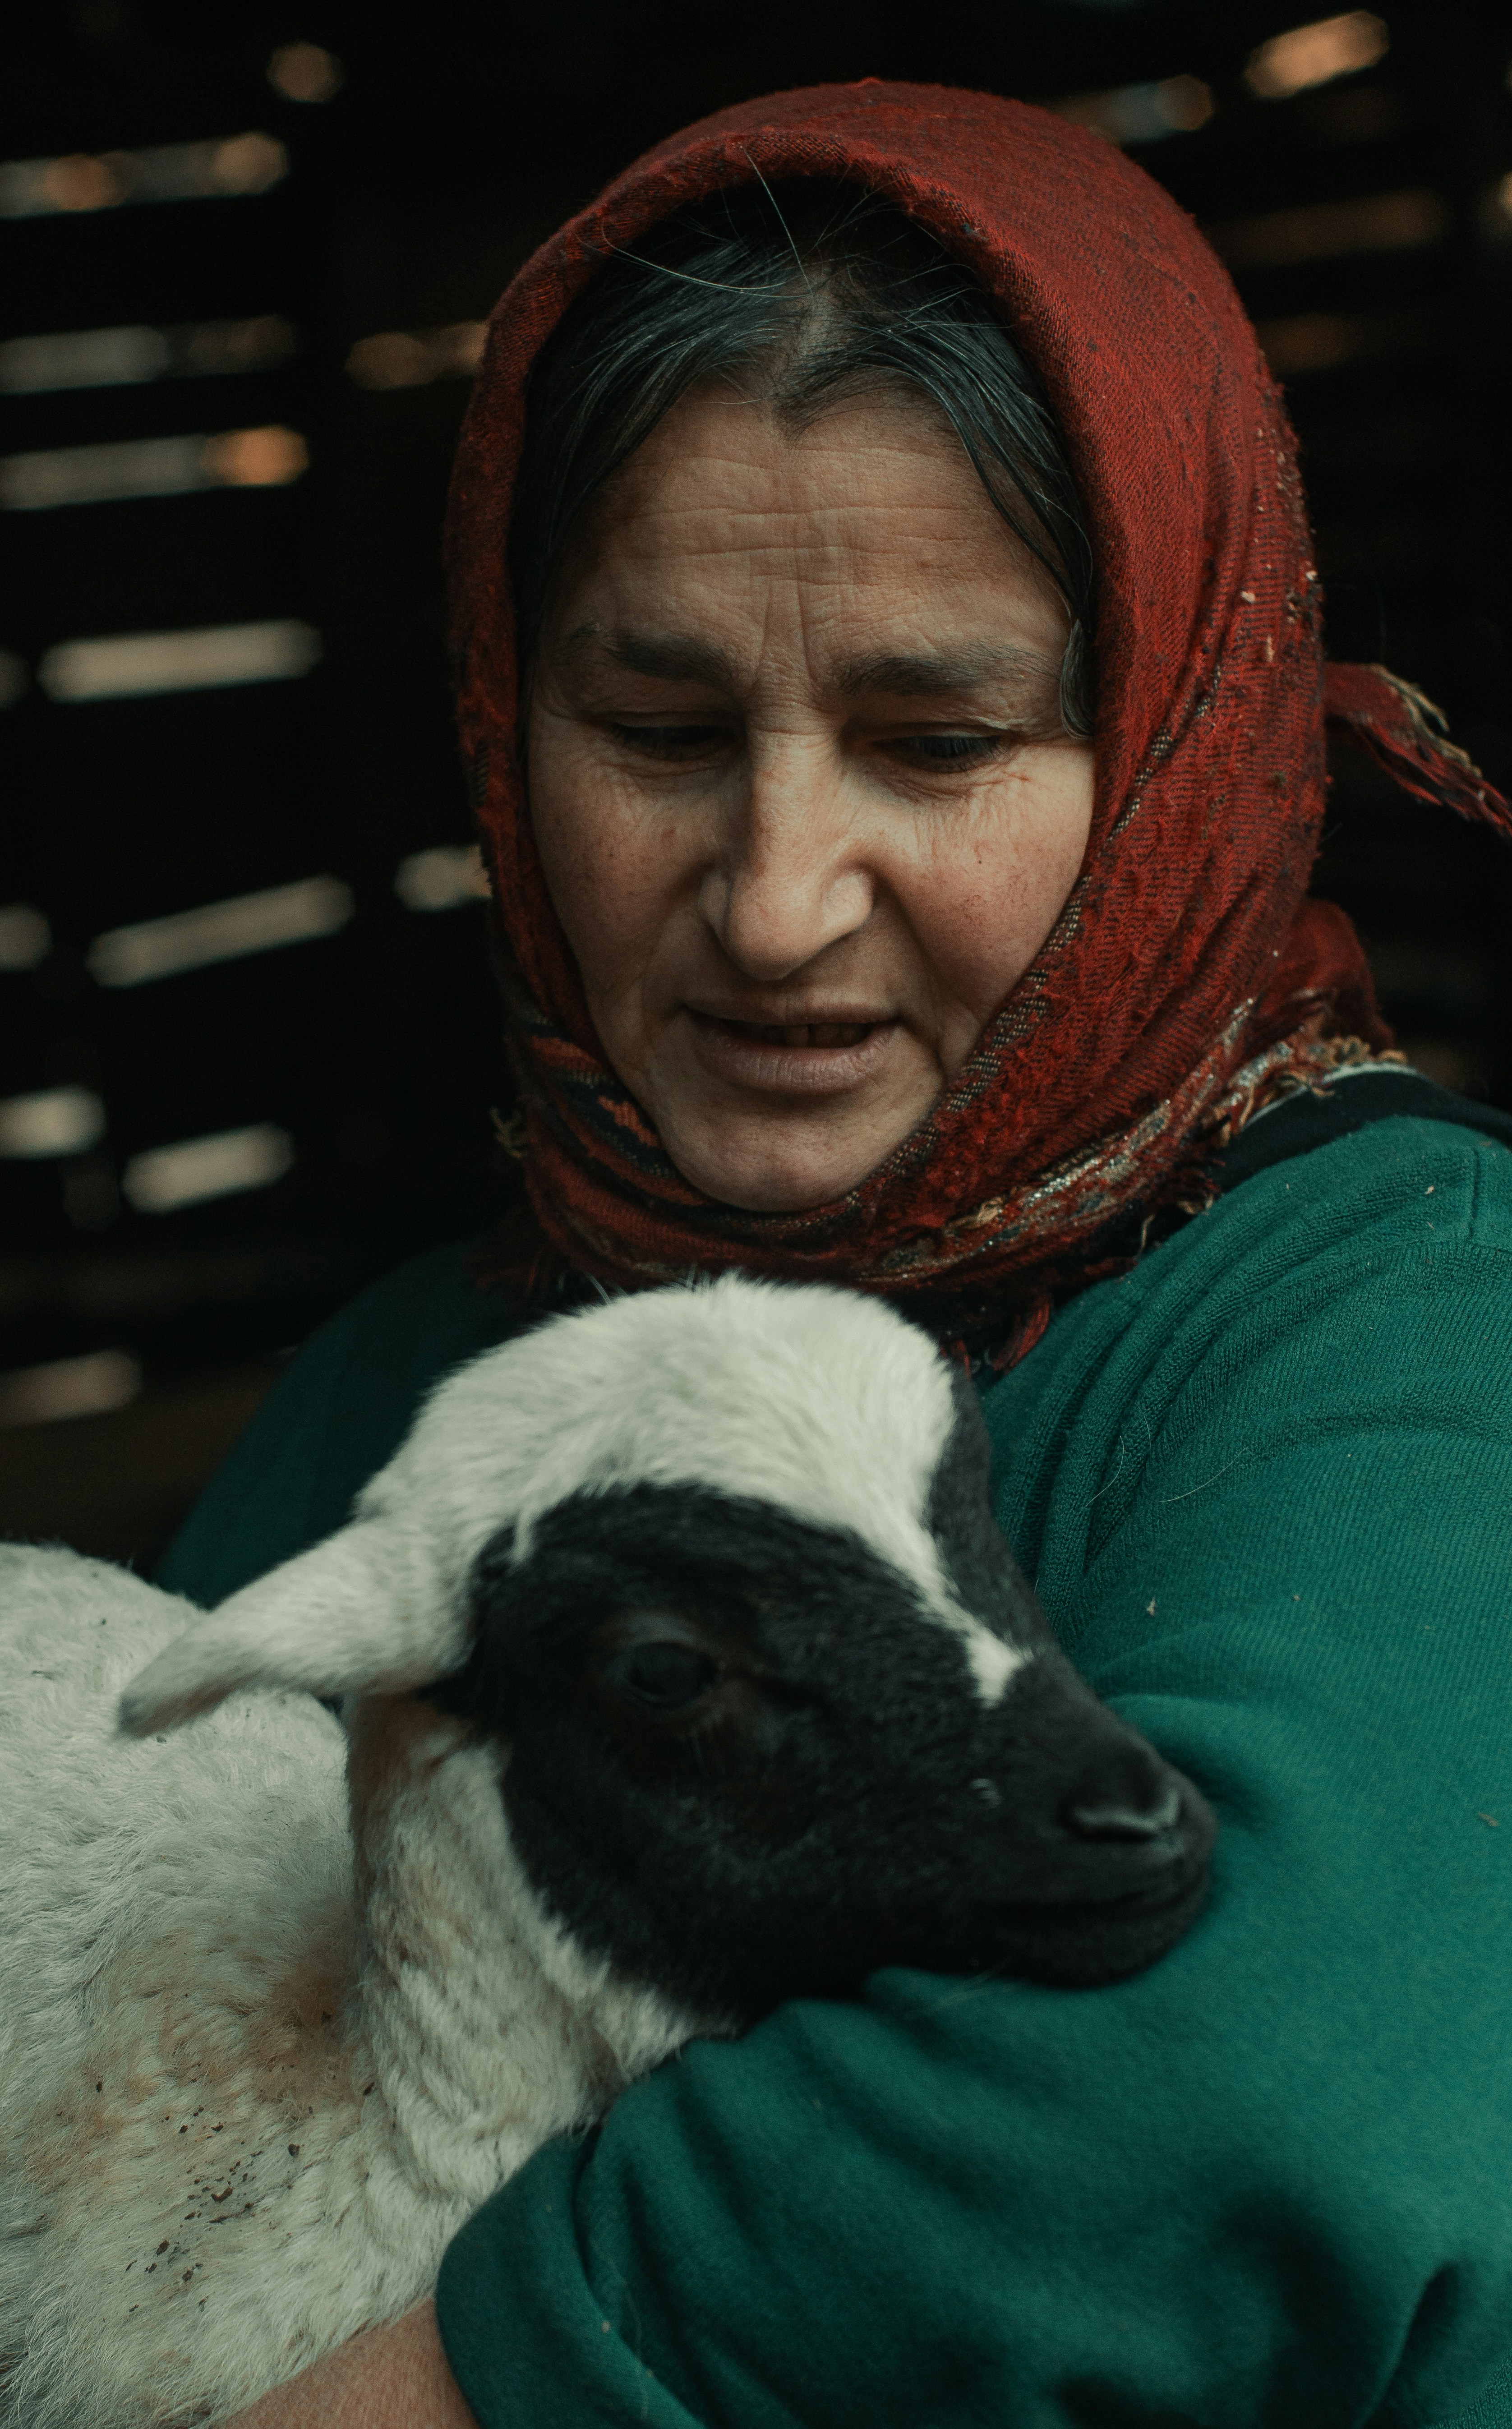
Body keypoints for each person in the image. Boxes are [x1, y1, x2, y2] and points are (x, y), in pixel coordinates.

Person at [178, 80, 1512, 2429]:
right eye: (658, 725)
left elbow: (1254, 2075)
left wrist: (478, 2380)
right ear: (508, 730)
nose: (778, 897)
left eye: (935, 736)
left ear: (1179, 749)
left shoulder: (1407, 1323)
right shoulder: (400, 1411)